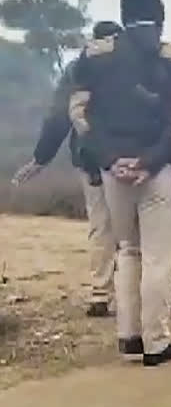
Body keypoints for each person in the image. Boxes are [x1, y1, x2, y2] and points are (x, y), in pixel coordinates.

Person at [68, 0, 171, 366]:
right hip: (159, 171)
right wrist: (150, 160)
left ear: (124, 16)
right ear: (159, 15)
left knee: (128, 249)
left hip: (112, 172)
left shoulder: (94, 56)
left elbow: (80, 116)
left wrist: (111, 159)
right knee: (158, 257)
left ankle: (128, 336)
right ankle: (156, 341)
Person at [12, 21, 123, 319]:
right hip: (125, 159)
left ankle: (101, 294)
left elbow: (59, 115)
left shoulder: (78, 68)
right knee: (126, 227)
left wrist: (41, 158)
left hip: (89, 157)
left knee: (101, 224)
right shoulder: (129, 65)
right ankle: (126, 291)